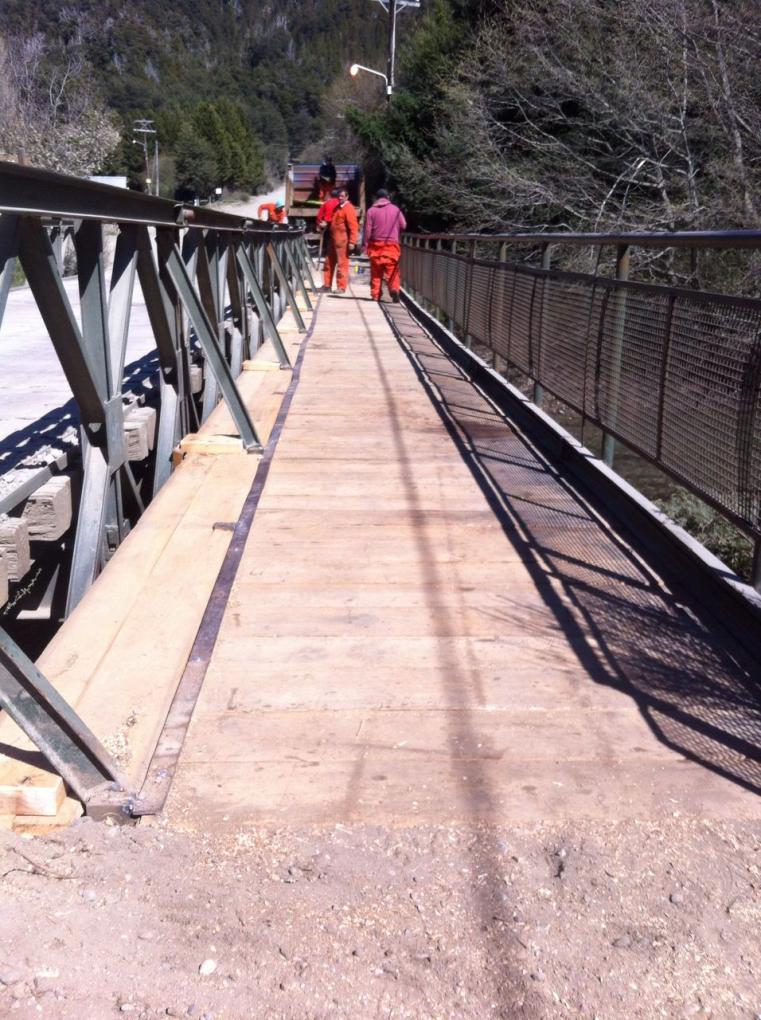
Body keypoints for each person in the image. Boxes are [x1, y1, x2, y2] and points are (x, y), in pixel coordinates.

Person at [363, 188, 406, 302]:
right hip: (391, 245)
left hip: (376, 245)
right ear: (388, 197)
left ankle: (375, 295)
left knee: (376, 273)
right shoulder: (395, 209)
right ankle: (394, 289)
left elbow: (368, 230)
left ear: (377, 198)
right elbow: (404, 225)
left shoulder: (371, 211)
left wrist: (366, 245)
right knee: (392, 271)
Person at [324, 188, 359, 293]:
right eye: (339, 196)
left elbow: (353, 226)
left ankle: (341, 287)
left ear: (347, 197)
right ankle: (327, 285)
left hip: (342, 241)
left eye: (342, 196)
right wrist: (326, 224)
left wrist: (352, 242)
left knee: (342, 264)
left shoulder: (349, 209)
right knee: (328, 262)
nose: (340, 198)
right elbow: (334, 221)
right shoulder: (338, 208)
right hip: (333, 240)